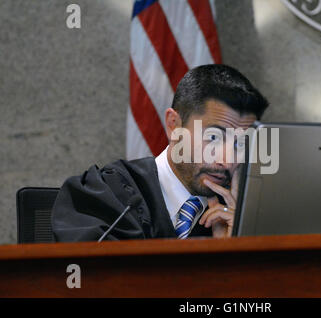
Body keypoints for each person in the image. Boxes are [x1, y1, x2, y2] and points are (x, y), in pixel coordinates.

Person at [51, 64, 269, 242]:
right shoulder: (106, 194)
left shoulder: (246, 218)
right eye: (213, 138)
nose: (227, 160)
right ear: (174, 125)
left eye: (240, 144)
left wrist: (235, 254)